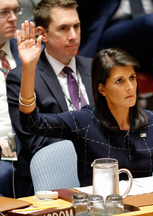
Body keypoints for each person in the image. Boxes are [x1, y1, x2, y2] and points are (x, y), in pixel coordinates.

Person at [17, 21, 153, 186]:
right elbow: (31, 123)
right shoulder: (85, 122)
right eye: (119, 81)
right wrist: (29, 67)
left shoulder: (152, 122)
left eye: (132, 78)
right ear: (102, 89)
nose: (130, 87)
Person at [6, 0, 93, 198]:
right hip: (50, 182)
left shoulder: (95, 68)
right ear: (42, 33)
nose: (73, 35)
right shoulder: (22, 77)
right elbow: (34, 141)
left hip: (101, 174)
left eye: (76, 26)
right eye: (63, 28)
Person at [0, 0, 22, 197]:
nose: (13, 18)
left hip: (28, 144)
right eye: (4, 12)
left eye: (15, 11)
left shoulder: (29, 51)